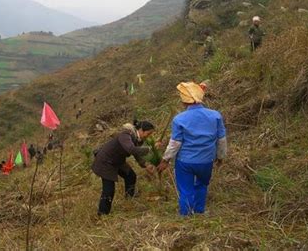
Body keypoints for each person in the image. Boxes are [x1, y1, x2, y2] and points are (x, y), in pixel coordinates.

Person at [157, 82, 227, 216]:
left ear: (184, 101)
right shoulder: (215, 115)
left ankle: (186, 215)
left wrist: (166, 160)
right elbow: (221, 139)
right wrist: (221, 157)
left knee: (185, 190)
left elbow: (175, 143)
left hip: (185, 162)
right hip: (206, 160)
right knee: (202, 185)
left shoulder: (179, 119)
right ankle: (199, 211)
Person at [92, 120, 156, 215]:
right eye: (148, 133)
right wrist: (151, 149)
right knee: (108, 190)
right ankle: (102, 214)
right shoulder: (126, 135)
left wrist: (146, 165)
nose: (149, 136)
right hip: (105, 162)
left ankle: (129, 199)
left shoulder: (137, 138)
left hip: (117, 161)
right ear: (141, 130)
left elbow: (136, 154)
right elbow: (131, 149)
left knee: (131, 176)